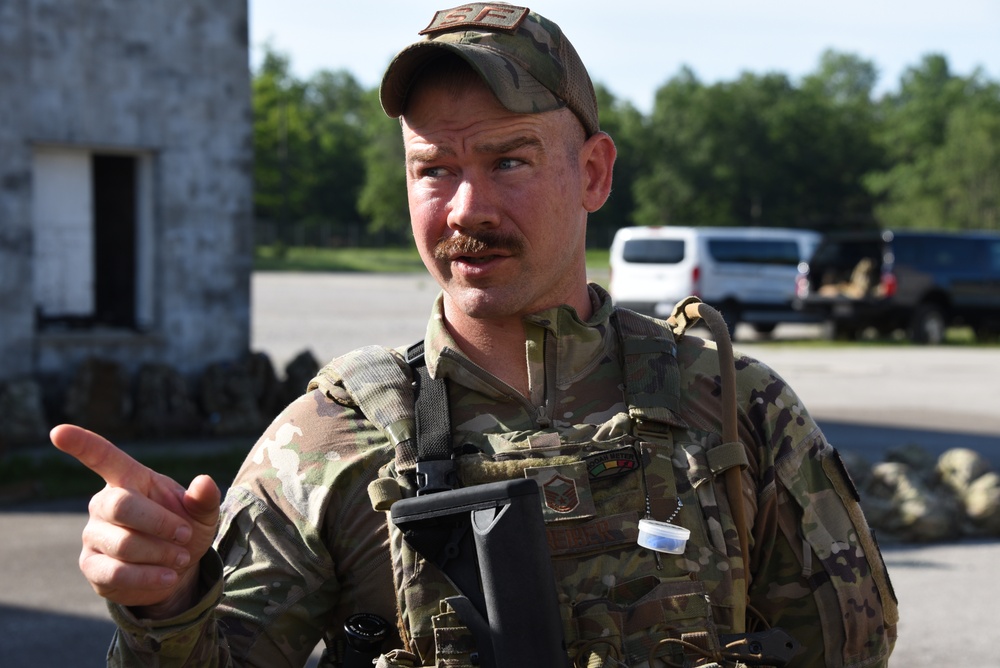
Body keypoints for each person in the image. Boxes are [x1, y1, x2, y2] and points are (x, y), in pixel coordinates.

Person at [52, 4, 897, 667]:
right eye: (435, 169)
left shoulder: (734, 410)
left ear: (593, 172)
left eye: (509, 160)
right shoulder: (332, 436)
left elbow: (850, 648)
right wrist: (165, 603)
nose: (467, 210)